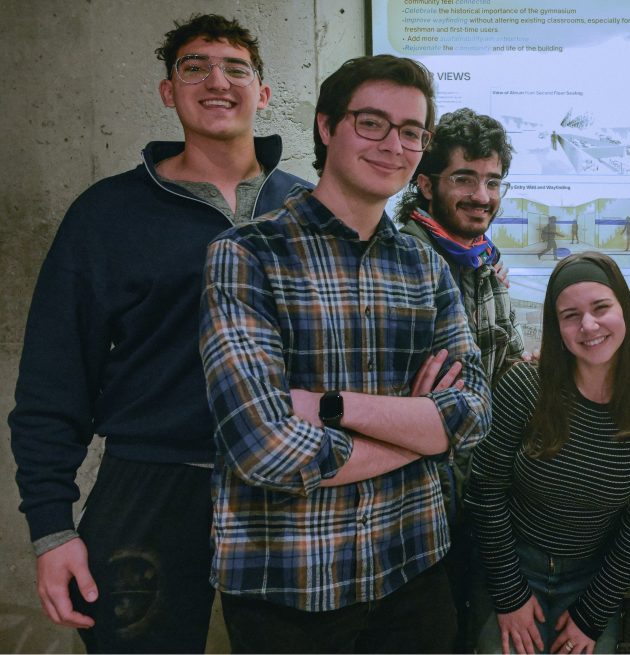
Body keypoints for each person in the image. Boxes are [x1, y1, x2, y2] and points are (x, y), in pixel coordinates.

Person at [7, 14, 308, 652]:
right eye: (193, 67)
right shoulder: (107, 213)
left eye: (236, 69)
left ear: (264, 93)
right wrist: (52, 529)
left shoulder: (309, 211)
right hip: (151, 483)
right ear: (168, 92)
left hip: (290, 486)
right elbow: (52, 380)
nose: (216, 81)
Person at [198, 54, 491, 654]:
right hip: (289, 585)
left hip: (412, 569)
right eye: (372, 123)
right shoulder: (246, 255)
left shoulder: (426, 266)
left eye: (412, 132)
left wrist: (330, 406)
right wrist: (412, 432)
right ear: (327, 126)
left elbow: (471, 414)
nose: (394, 144)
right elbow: (262, 447)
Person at [465, 252, 630, 655]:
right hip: (512, 564)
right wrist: (510, 595)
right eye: (570, 315)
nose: (588, 325)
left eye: (601, 308)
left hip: (591, 578)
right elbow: (485, 490)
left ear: (625, 309)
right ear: (557, 327)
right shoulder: (525, 385)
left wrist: (592, 615)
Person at [394, 107, 525, 652]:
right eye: (464, 178)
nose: (482, 195)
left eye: (492, 181)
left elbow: (509, 367)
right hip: (416, 496)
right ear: (425, 184)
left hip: (481, 492)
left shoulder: (483, 260)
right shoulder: (400, 257)